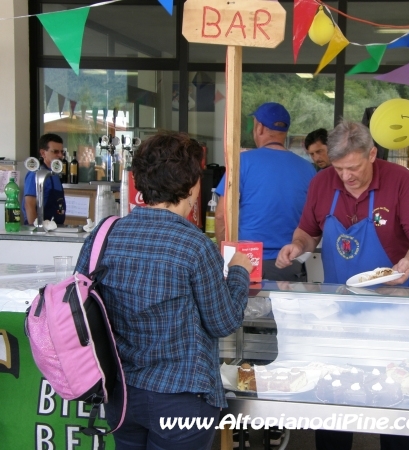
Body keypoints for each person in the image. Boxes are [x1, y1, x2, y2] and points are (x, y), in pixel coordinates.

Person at [74, 132, 253, 450]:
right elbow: (222, 322)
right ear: (194, 185)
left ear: (139, 181)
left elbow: (83, 309)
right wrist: (239, 272)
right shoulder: (195, 246)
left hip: (120, 394)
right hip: (181, 400)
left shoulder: (104, 234)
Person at [276, 120, 409, 450]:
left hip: (396, 311)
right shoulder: (322, 183)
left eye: (353, 167)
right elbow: (307, 232)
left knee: (397, 401)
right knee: (334, 397)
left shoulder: (400, 181)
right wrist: (297, 247)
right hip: (341, 312)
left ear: (372, 153)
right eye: (338, 168)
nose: (345, 176)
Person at [215, 102, 316, 281]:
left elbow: (222, 216)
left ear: (259, 127)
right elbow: (313, 220)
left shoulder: (242, 162)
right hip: (289, 263)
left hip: (246, 264)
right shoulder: (308, 168)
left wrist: (223, 257)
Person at [22, 133, 66, 225]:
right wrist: (37, 232)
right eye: (55, 151)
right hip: (42, 229)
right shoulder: (35, 174)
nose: (60, 155)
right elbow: (29, 205)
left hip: (55, 227)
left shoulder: (54, 174)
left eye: (62, 152)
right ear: (43, 153)